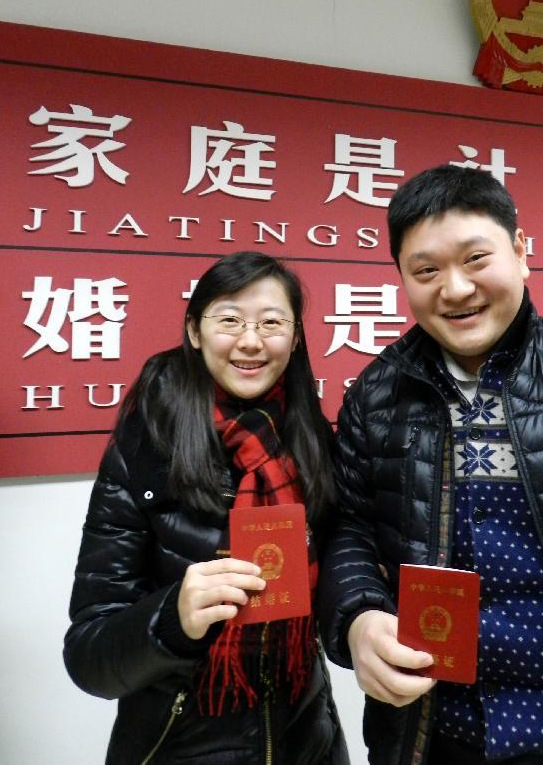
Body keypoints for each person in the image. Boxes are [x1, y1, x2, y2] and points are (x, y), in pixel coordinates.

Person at [318, 164, 543, 764]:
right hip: (436, 731)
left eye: (475, 258)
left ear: (520, 251)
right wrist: (357, 617)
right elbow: (348, 525)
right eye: (425, 270)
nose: (453, 289)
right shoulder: (376, 395)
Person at [64, 251, 349, 765]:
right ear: (194, 331)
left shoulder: (310, 442)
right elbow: (88, 656)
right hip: (177, 743)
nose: (250, 340)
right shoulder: (145, 447)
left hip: (307, 738)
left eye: (271, 322)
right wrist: (171, 618)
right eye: (230, 320)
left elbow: (336, 585)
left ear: (297, 336)